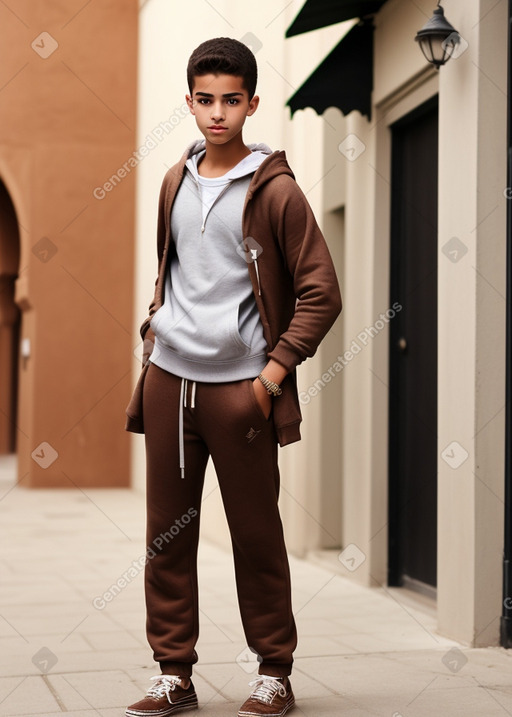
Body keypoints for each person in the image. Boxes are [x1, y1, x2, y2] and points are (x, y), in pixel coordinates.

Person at [124, 37, 341, 717]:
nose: (218, 113)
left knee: (255, 534)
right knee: (167, 536)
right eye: (205, 99)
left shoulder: (275, 190)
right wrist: (155, 329)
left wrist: (271, 375)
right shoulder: (173, 181)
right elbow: (177, 271)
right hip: (170, 382)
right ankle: (173, 673)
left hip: (240, 391)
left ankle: (273, 671)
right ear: (189, 102)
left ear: (250, 102)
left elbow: (321, 292)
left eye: (231, 100)